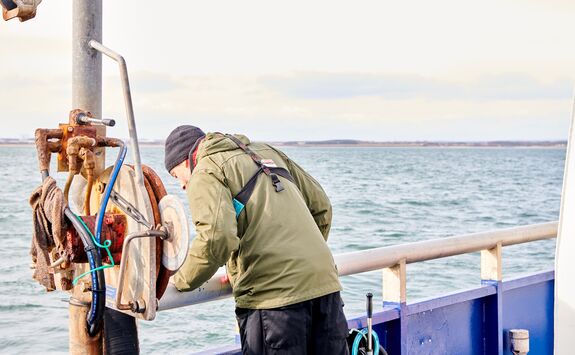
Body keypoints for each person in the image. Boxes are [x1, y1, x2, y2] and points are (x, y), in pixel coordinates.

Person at [164, 125, 349, 354]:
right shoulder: (266, 151)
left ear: (185, 160)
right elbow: (321, 207)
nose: (182, 185)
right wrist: (303, 263)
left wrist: (180, 280)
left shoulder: (205, 170)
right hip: (325, 288)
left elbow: (216, 238)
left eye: (176, 176)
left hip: (274, 303)